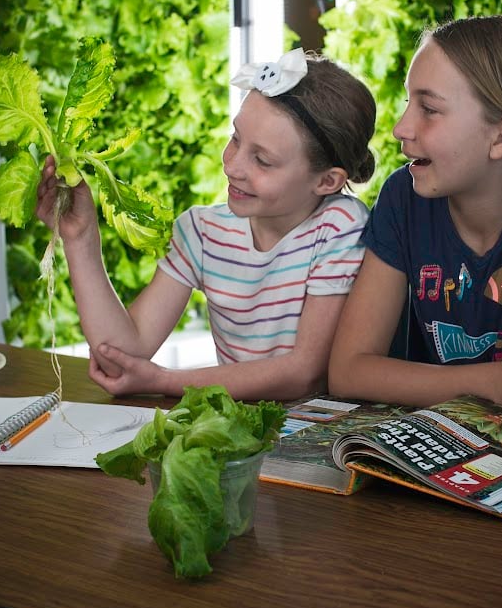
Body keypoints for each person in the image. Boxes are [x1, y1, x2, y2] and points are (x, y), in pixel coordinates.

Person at [37, 47, 376, 402]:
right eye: (235, 139)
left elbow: (304, 374)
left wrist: (163, 381)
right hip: (240, 427)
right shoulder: (202, 232)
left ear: (326, 181)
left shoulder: (339, 227)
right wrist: (80, 239)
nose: (232, 166)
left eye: (262, 160)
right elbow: (121, 355)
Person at [329, 14, 502, 438]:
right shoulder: (403, 196)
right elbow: (348, 371)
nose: (401, 128)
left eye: (429, 109)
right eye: (408, 103)